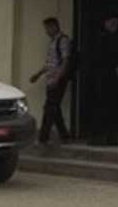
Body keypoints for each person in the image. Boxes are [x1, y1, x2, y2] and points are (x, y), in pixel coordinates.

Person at [28, 17, 73, 145]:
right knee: (54, 108)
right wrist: (38, 74)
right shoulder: (53, 42)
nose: (46, 31)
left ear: (54, 26)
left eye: (48, 28)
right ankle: (65, 135)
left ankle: (43, 137)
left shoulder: (63, 41)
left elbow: (65, 61)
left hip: (57, 79)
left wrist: (57, 78)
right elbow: (49, 64)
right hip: (50, 79)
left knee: (49, 108)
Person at [89, 14, 118, 146]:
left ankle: (110, 137)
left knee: (112, 108)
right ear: (105, 23)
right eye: (112, 22)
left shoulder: (116, 38)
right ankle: (97, 137)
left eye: (117, 23)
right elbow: (99, 58)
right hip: (102, 77)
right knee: (101, 107)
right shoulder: (101, 38)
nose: (115, 25)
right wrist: (113, 67)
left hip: (112, 78)